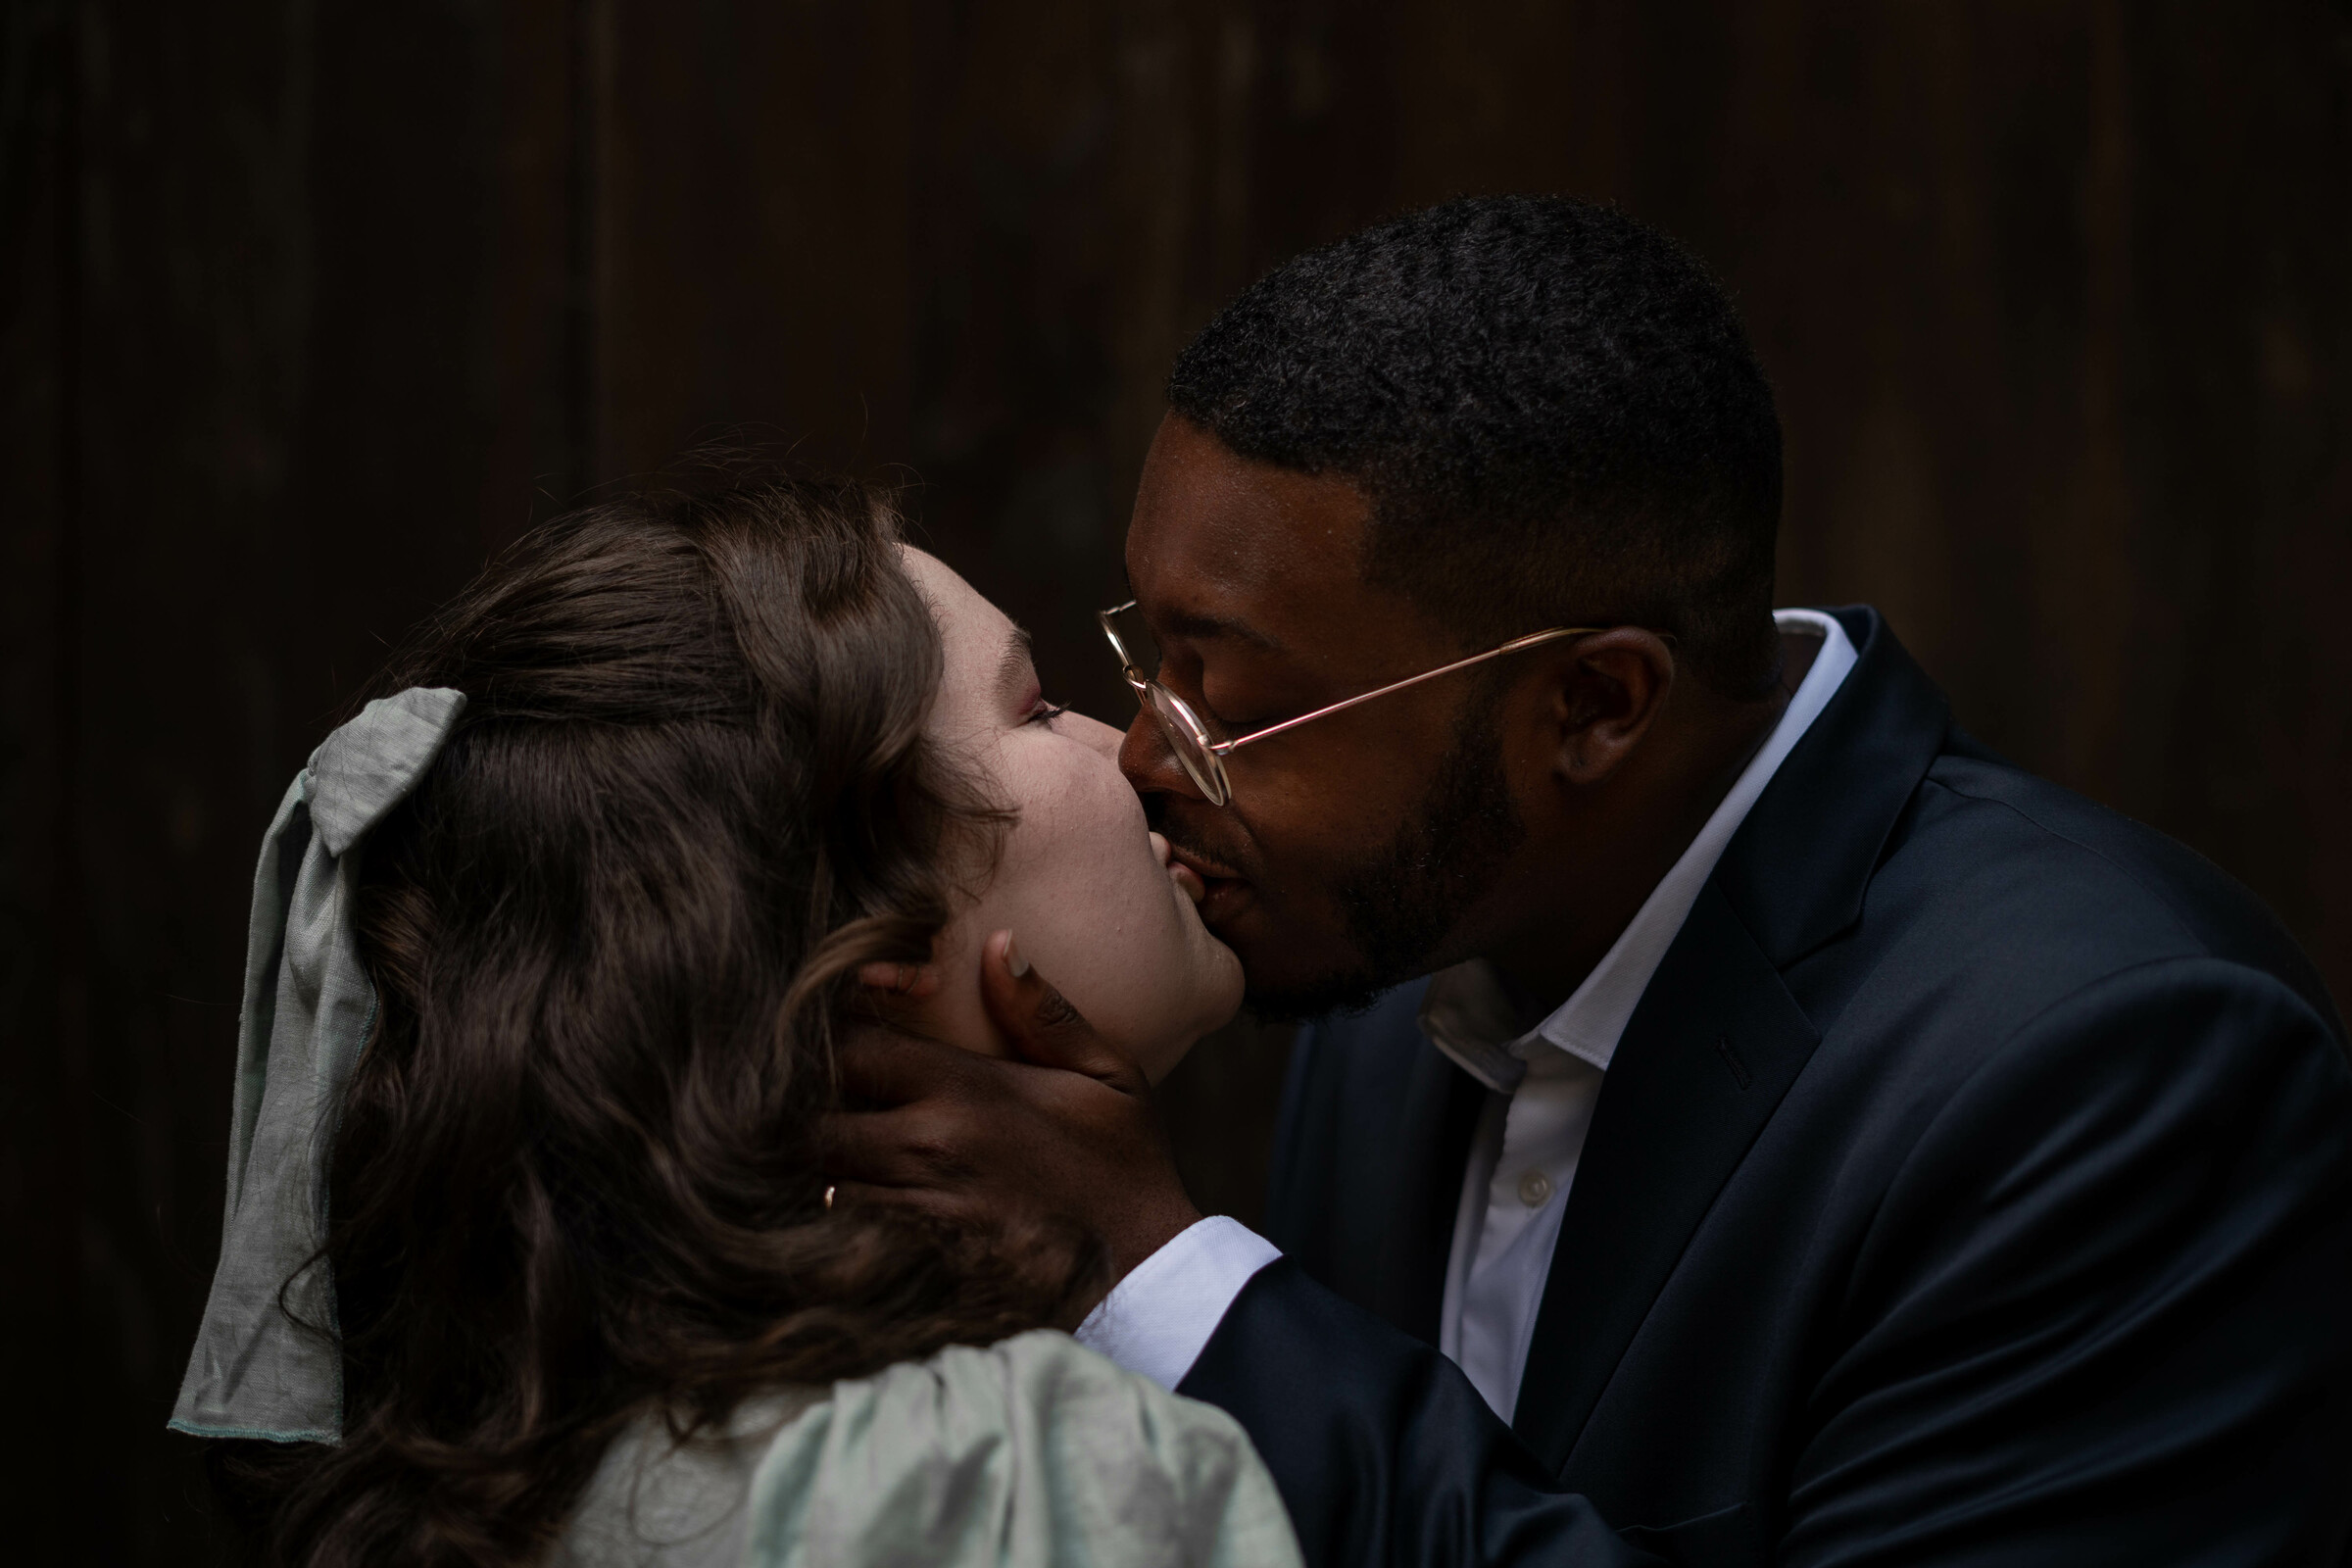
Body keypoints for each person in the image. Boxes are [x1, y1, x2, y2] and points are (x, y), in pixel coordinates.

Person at [823, 196, 2352, 1565]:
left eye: (1243, 702)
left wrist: (1169, 1281)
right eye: (1154, 653)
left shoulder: (2111, 1075)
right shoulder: (1388, 957)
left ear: (1596, 708)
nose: (1154, 755)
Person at [171, 473, 1301, 1568]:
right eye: (1038, 706)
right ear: (878, 932)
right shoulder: (1017, 1493)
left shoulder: (510, 1473)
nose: (1136, 753)